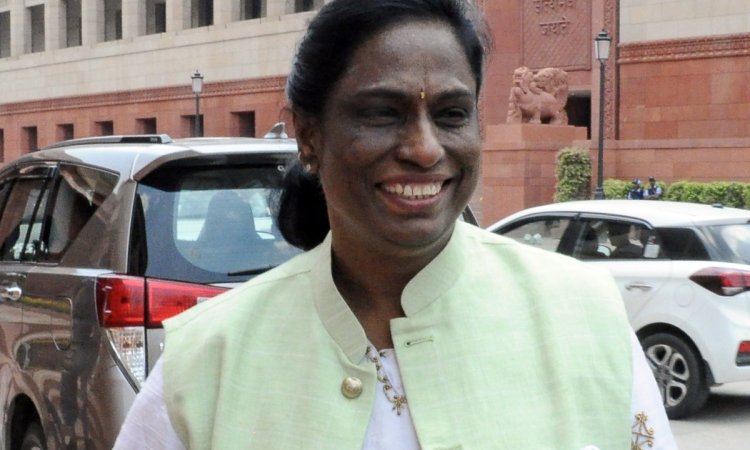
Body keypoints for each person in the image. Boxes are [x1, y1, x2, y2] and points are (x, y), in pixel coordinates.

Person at [113, 1, 677, 449]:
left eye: (452, 114)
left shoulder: (581, 319)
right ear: (308, 136)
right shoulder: (210, 358)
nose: (425, 149)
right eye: (383, 113)